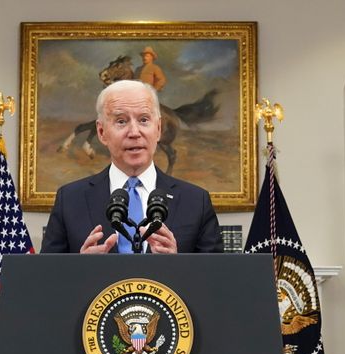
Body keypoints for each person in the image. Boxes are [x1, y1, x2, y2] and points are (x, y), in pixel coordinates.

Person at [41, 79, 222, 254]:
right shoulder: (70, 200)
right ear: (102, 132)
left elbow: (217, 280)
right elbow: (46, 280)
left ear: (158, 129)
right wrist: (80, 268)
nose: (134, 132)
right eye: (121, 121)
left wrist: (176, 266)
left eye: (144, 120)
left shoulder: (197, 201)